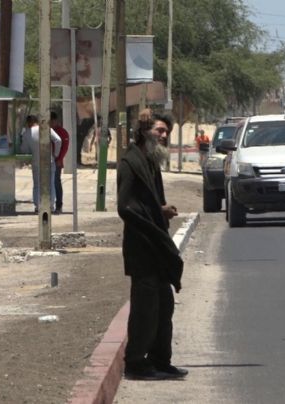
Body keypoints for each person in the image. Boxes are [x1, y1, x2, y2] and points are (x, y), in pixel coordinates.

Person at [117, 110, 187, 381]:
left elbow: (147, 203)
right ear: (145, 130)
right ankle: (136, 363)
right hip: (141, 246)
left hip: (155, 244)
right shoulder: (129, 163)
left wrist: (159, 212)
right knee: (145, 308)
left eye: (166, 131)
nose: (164, 135)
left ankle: (160, 360)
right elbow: (126, 207)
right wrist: (158, 213)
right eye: (159, 130)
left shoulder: (150, 161)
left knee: (164, 305)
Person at [21, 115, 62, 213]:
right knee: (50, 183)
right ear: (37, 121)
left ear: (28, 123)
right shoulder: (46, 129)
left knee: (37, 185)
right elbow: (58, 140)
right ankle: (50, 206)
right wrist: (55, 154)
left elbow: (24, 149)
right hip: (49, 160)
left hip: (36, 161)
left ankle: (38, 206)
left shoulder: (27, 133)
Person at [50, 111, 70, 214]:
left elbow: (65, 147)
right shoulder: (48, 131)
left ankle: (59, 205)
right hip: (48, 161)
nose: (50, 124)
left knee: (56, 182)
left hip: (57, 162)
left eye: (51, 122)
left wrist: (59, 158)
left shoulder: (62, 132)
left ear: (55, 121)